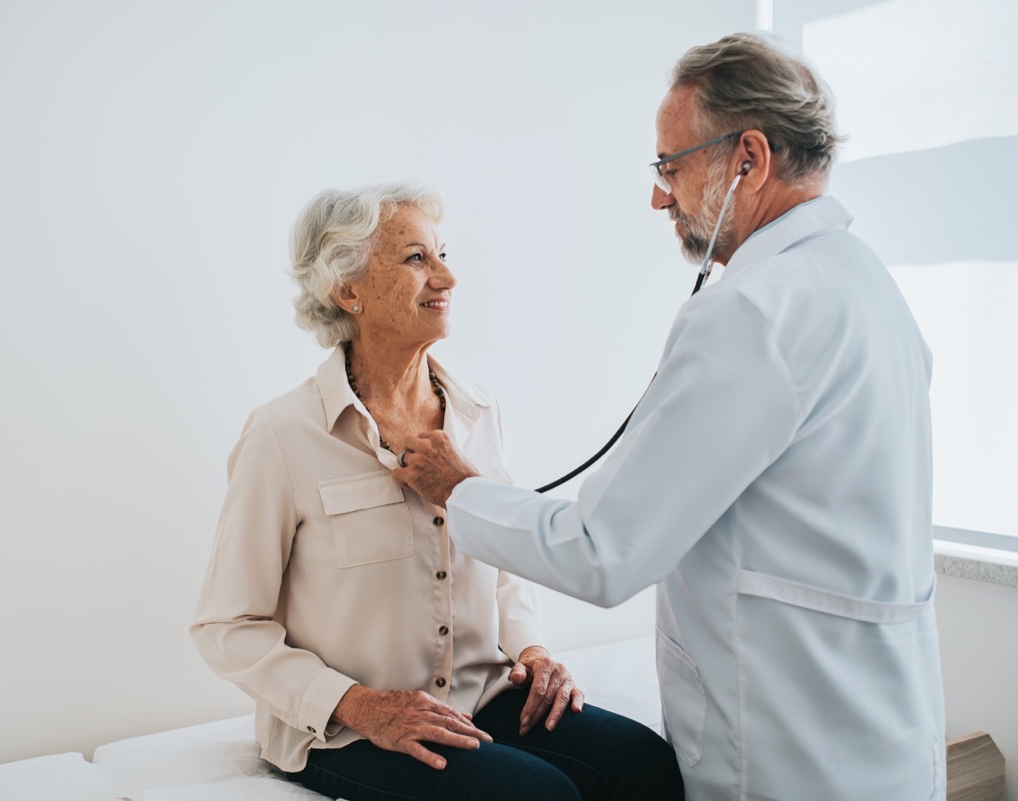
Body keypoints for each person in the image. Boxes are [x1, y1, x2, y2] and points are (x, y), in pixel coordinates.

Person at [394, 33, 947, 801]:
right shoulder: (866, 284)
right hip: (882, 735)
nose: (659, 196)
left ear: (748, 158)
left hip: (788, 750)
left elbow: (601, 552)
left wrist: (459, 489)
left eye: (671, 167)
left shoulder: (750, 313)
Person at [189, 183, 683, 801]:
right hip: (350, 728)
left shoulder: (477, 412)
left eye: (443, 253)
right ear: (349, 290)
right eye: (416, 259)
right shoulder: (282, 434)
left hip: (484, 696)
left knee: (647, 764)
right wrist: (360, 705)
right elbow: (227, 625)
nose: (446, 276)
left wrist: (532, 649)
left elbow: (503, 562)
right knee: (536, 796)